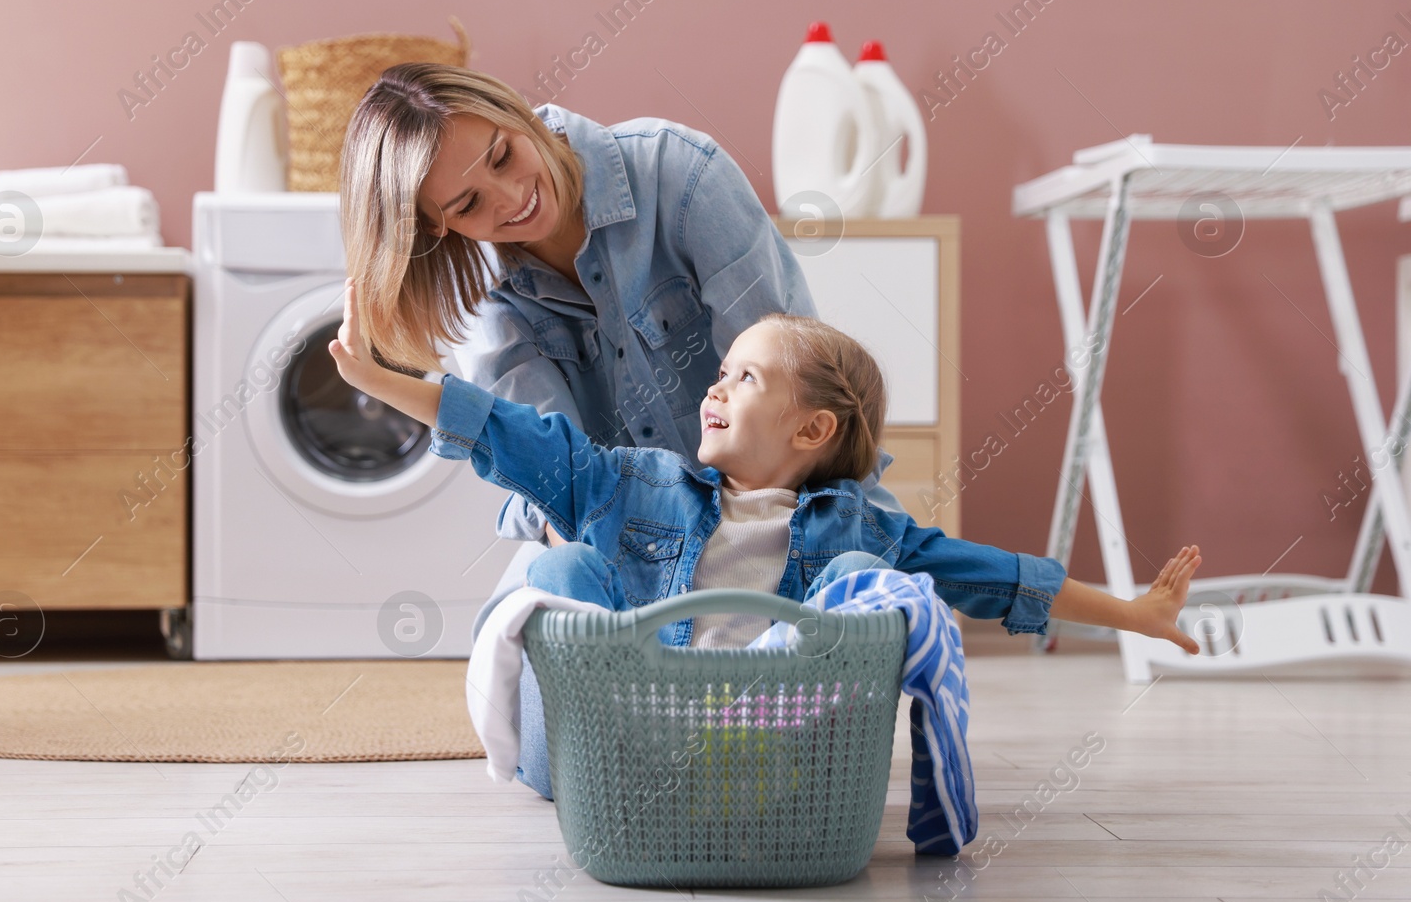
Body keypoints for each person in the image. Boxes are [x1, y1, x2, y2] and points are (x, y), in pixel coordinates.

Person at [328, 279, 1205, 797]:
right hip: (626, 746)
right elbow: (517, 437)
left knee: (873, 574)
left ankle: (758, 766)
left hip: (772, 754)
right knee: (555, 562)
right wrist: (391, 380)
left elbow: (992, 578)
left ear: (812, 430)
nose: (714, 388)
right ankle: (540, 751)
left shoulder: (859, 528)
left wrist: (1134, 610)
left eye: (743, 376)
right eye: (720, 371)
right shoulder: (642, 488)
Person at [336, 63, 910, 637]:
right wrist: (627, 618)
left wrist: (756, 569)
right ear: (436, 227)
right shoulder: (482, 301)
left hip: (783, 510)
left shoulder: (681, 176)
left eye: (504, 156)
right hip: (630, 538)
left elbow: (792, 397)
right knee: (528, 618)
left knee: (856, 601)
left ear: (513, 112)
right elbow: (553, 476)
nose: (511, 199)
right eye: (467, 205)